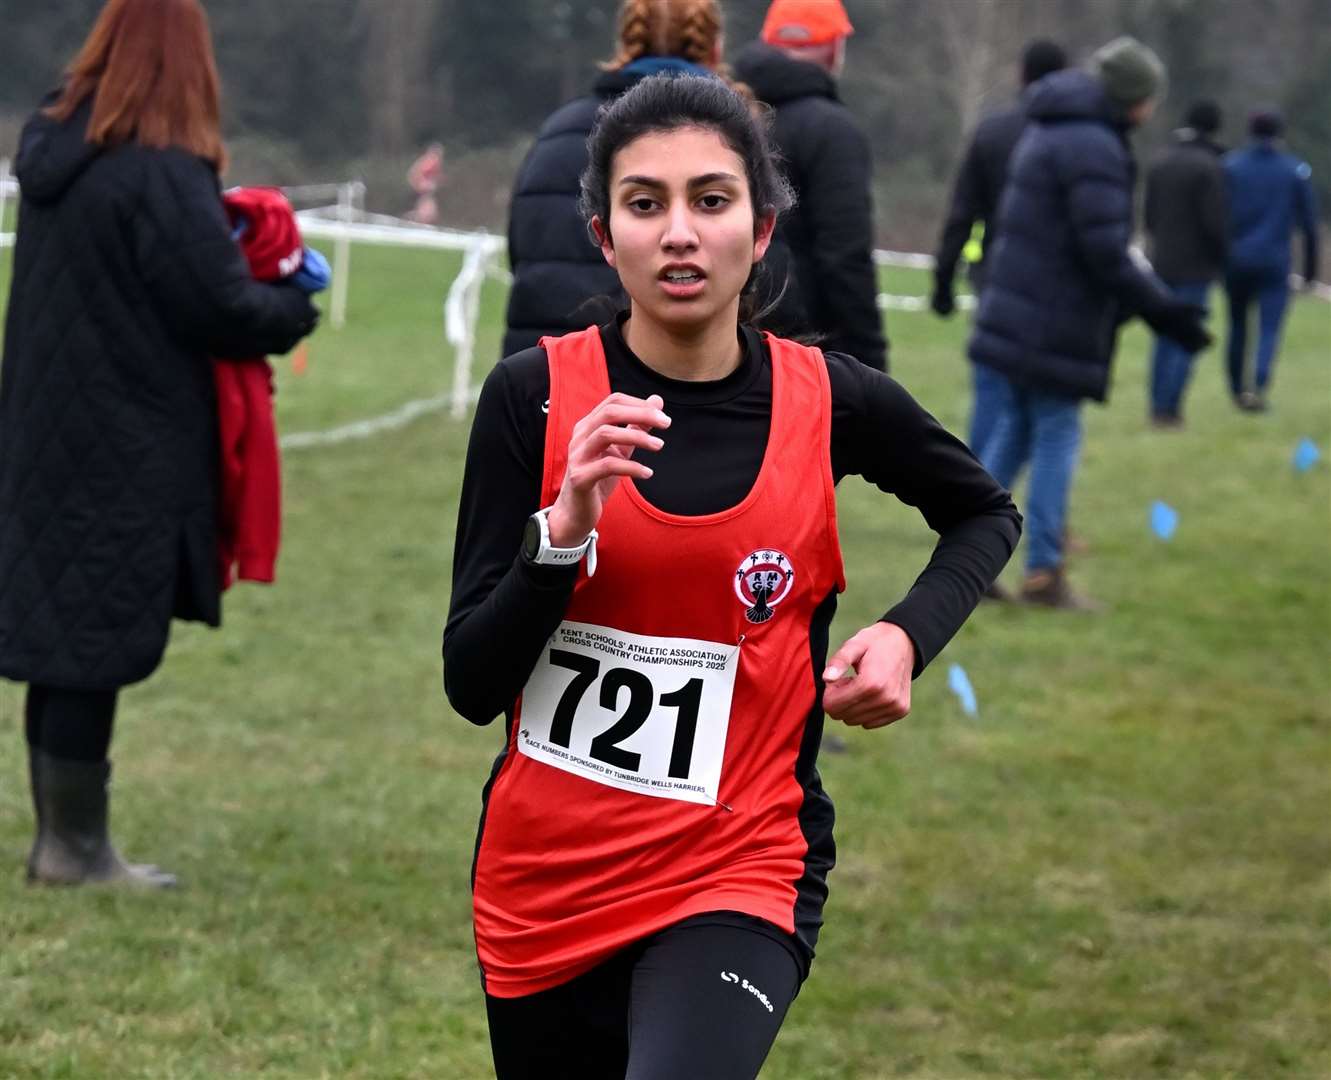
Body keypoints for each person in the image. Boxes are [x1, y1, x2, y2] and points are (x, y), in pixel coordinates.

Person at [444, 74, 1020, 1079]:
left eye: (710, 201)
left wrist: (904, 634)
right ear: (601, 234)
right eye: (644, 203)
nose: (678, 232)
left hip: (738, 865)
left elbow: (981, 511)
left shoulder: (829, 398)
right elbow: (470, 685)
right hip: (545, 882)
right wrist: (562, 530)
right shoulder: (531, 401)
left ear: (759, 233)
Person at [0, 0, 319, 887]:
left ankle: (60, 838)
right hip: (121, 443)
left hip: (44, 432)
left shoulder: (60, 156)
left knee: (62, 639)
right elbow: (216, 303)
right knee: (90, 641)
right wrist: (294, 303)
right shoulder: (159, 172)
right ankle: (72, 847)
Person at [967, 37, 1210, 610]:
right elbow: (1104, 249)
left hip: (1023, 310)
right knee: (1055, 433)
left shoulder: (1054, 126)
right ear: (1135, 99)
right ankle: (1043, 574)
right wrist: (1163, 310)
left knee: (1016, 433)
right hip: (1053, 320)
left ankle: (967, 561)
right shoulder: (1093, 145)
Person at [502, 0, 728, 359]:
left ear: (625, 44)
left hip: (541, 372)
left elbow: (520, 246)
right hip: (647, 368)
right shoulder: (728, 141)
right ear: (715, 49)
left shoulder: (558, 130)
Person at [733, 0, 887, 371]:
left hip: (727, 341)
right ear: (835, 48)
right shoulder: (832, 130)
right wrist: (870, 362)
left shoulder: (725, 113)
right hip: (808, 352)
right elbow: (844, 255)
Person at [931, 39, 1067, 454]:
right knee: (1050, 405)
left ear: (1021, 75)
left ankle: (975, 490)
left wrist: (943, 282)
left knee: (992, 387)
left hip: (996, 275)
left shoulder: (993, 132)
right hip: (1055, 284)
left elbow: (961, 214)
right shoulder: (1071, 140)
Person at [1222, 109, 1320, 412]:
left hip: (1235, 259)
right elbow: (1309, 226)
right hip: (1274, 260)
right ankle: (1259, 385)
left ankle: (1237, 388)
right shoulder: (1294, 171)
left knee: (1237, 325)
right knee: (1268, 328)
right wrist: (1309, 273)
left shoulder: (1230, 167)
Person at [1143, 100, 1228, 428]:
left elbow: (1149, 217)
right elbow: (1214, 223)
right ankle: (1169, 409)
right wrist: (1221, 256)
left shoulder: (1161, 161)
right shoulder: (1210, 167)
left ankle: (1155, 404)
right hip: (1196, 267)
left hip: (1161, 261)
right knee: (1186, 336)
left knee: (1163, 336)